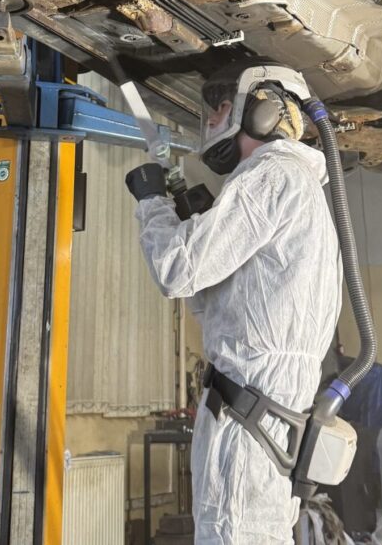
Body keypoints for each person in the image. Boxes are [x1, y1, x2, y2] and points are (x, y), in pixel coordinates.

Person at [125, 59, 343, 544]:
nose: (213, 118)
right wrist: (196, 224)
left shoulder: (271, 175)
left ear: (264, 112)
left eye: (223, 106)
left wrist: (152, 203)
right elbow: (218, 306)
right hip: (256, 409)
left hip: (248, 413)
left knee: (233, 534)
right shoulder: (293, 183)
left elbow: (176, 270)